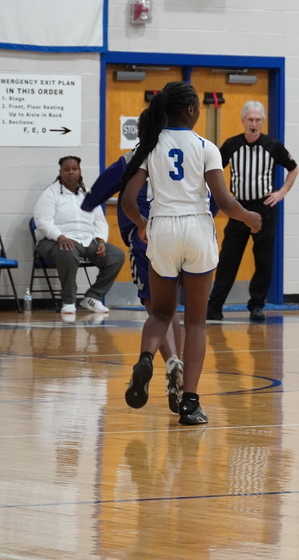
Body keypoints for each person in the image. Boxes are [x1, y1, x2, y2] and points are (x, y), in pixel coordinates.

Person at [121, 81, 263, 425]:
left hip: (163, 229)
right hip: (197, 230)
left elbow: (127, 200)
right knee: (196, 321)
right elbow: (225, 201)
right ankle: (190, 403)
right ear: (189, 110)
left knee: (160, 314)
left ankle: (145, 358)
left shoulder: (149, 147)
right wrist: (250, 217)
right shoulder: (205, 146)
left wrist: (141, 222)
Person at [82, 140, 186, 414]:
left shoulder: (134, 157)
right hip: (183, 234)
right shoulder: (192, 150)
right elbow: (211, 197)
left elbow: (99, 190)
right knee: (173, 306)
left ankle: (169, 359)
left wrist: (88, 202)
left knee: (157, 310)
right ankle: (179, 368)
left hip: (146, 235)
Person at [207, 100, 299, 322]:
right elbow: (212, 170)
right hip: (239, 208)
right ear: (243, 121)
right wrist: (223, 197)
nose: (254, 124)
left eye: (258, 120)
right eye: (250, 119)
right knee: (228, 258)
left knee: (264, 260)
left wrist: (281, 192)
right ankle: (214, 306)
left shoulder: (273, 145)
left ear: (263, 122)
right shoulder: (231, 145)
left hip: (264, 207)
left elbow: (293, 169)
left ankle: (257, 305)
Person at [33, 156, 126, 315]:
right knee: (67, 251)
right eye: (66, 169)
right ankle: (68, 301)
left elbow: (100, 222)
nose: (71, 172)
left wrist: (101, 240)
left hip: (87, 240)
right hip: (54, 241)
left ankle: (93, 297)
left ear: (80, 171)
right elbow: (42, 221)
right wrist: (60, 237)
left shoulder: (88, 193)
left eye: (74, 169)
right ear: (60, 172)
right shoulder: (51, 193)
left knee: (116, 255)